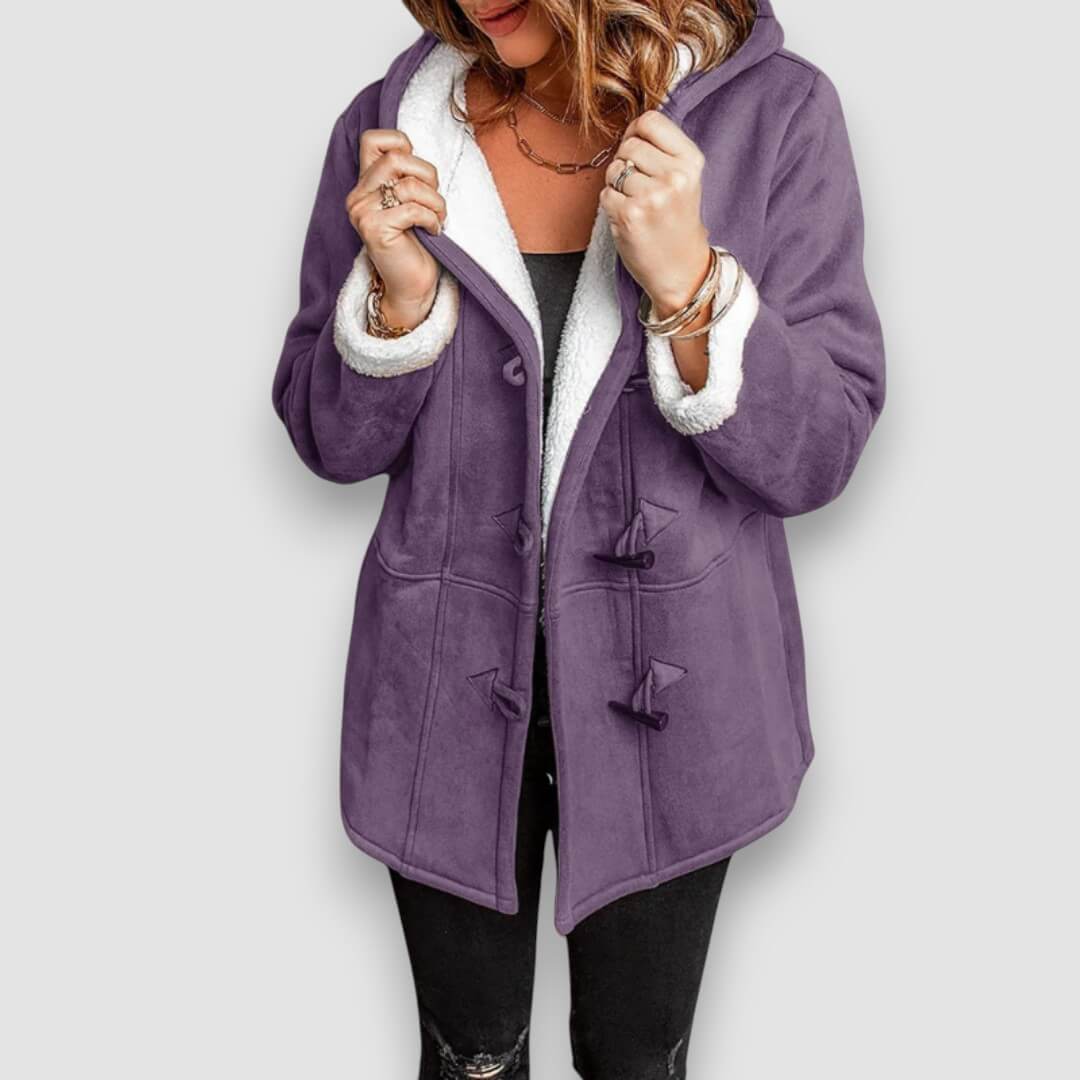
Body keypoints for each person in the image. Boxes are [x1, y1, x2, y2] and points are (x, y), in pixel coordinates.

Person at [272, 1, 885, 1076]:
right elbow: (328, 439)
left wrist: (692, 288)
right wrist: (398, 304)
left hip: (679, 705)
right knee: (467, 1059)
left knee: (635, 1061)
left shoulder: (778, 117)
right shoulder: (394, 127)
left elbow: (818, 453)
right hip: (438, 699)